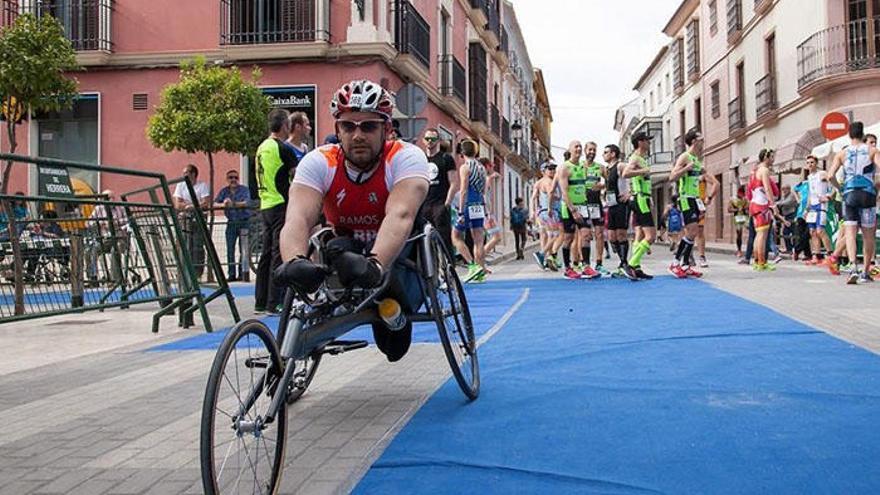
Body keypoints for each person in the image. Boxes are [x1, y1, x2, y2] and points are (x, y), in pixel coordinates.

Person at [278, 79, 429, 362]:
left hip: (397, 252)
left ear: (387, 129)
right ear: (337, 130)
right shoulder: (320, 161)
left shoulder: (405, 158)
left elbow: (401, 214)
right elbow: (298, 217)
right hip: (345, 247)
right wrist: (295, 261)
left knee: (393, 348)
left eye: (368, 126)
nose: (357, 135)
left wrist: (376, 265)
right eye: (348, 126)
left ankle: (390, 308)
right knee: (333, 251)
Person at [254, 108, 298, 314]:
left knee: (265, 256)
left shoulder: (261, 147)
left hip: (265, 204)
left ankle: (260, 301)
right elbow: (297, 177)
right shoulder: (284, 149)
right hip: (281, 203)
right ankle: (274, 303)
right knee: (277, 255)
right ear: (284, 126)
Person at [827, 121, 879, 284]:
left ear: (849, 135)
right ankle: (865, 271)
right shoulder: (872, 150)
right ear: (863, 134)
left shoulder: (842, 153)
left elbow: (829, 176)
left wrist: (840, 188)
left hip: (849, 194)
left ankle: (852, 268)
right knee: (868, 235)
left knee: (850, 233)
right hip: (867, 194)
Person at [668, 130, 718, 279]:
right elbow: (672, 177)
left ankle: (685, 264)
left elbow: (710, 180)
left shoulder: (696, 160)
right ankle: (675, 263)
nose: (703, 141)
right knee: (691, 230)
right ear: (694, 141)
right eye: (700, 139)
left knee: (694, 231)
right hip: (686, 198)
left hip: (695, 199)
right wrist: (686, 168)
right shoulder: (685, 156)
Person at [558, 140, 600, 279]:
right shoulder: (565, 168)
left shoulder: (583, 167)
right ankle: (568, 268)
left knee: (587, 235)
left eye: (580, 147)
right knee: (568, 238)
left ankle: (586, 266)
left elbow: (587, 185)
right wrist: (573, 210)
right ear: (569, 149)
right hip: (569, 207)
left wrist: (599, 187)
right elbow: (564, 192)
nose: (578, 149)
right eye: (576, 146)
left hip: (583, 205)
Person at [452, 140, 489, 282]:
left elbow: (463, 191)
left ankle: (472, 265)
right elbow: (484, 190)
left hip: (468, 204)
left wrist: (461, 212)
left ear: (462, 153)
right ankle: (480, 270)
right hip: (479, 204)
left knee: (455, 236)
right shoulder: (481, 167)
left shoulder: (465, 167)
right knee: (478, 240)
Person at [623, 132, 656, 280]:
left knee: (641, 234)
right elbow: (626, 173)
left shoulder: (642, 159)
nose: (649, 144)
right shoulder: (635, 158)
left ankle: (636, 267)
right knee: (651, 236)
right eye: (647, 141)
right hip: (640, 199)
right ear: (640, 142)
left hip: (643, 198)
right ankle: (631, 263)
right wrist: (643, 171)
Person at [602, 144, 637, 280]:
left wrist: (630, 192)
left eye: (606, 152)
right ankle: (623, 262)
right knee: (611, 236)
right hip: (611, 205)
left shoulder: (620, 165)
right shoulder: (607, 169)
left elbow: (633, 175)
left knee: (621, 234)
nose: (603, 154)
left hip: (622, 204)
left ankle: (624, 264)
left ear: (613, 154)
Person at [422, 128, 459, 254]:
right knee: (423, 240)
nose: (430, 142)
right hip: (424, 205)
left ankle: (449, 268)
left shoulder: (446, 158)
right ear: (423, 141)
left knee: (444, 240)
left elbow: (454, 183)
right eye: (427, 139)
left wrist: (446, 204)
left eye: (432, 139)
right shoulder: (420, 159)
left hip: (440, 205)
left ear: (438, 141)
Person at [213, 169, 253, 281]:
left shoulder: (244, 190)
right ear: (227, 179)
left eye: (235, 177)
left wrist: (233, 204)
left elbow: (247, 202)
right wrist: (224, 204)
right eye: (231, 177)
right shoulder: (224, 191)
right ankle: (231, 274)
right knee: (230, 249)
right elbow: (215, 203)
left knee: (244, 249)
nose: (233, 180)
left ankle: (242, 273)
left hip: (244, 221)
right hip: (231, 222)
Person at [173, 164, 211, 277]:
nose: (184, 175)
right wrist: (193, 205)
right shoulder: (180, 185)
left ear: (193, 174)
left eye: (186, 173)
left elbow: (205, 203)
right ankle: (182, 272)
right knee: (183, 245)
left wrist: (190, 206)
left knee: (197, 246)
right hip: (184, 219)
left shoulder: (202, 186)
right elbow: (177, 204)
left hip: (198, 220)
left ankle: (197, 273)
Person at [748, 148, 780, 272]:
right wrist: (773, 205)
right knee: (762, 234)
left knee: (758, 234)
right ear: (766, 158)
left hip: (754, 204)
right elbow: (767, 189)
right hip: (762, 205)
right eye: (772, 157)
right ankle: (762, 262)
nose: (773, 160)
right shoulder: (764, 170)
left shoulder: (754, 170)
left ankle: (757, 261)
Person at [581, 141, 608, 275]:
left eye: (594, 150)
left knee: (599, 234)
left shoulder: (601, 167)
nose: (592, 152)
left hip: (596, 203)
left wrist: (602, 186)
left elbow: (610, 182)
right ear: (585, 151)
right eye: (590, 150)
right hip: (583, 203)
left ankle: (599, 263)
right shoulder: (579, 167)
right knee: (583, 234)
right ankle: (583, 263)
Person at [531, 161, 562, 270]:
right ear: (543, 171)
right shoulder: (549, 182)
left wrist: (534, 212)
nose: (552, 171)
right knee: (556, 235)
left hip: (541, 212)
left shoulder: (538, 183)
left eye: (554, 168)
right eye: (550, 169)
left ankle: (547, 260)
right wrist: (549, 207)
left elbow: (533, 198)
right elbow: (550, 194)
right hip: (550, 211)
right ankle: (542, 254)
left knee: (547, 235)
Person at [802, 155, 833, 265]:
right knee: (812, 232)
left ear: (816, 163)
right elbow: (810, 194)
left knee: (821, 231)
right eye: (808, 163)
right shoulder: (809, 177)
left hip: (821, 205)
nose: (810, 165)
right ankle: (816, 255)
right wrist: (806, 209)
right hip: (813, 206)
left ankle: (830, 255)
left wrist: (828, 196)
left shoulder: (822, 174)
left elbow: (833, 184)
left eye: (812, 162)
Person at [791, 169, 813, 262]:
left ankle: (797, 249)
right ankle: (807, 254)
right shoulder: (803, 184)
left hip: (811, 210)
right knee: (801, 233)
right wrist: (798, 199)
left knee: (807, 233)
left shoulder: (814, 183)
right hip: (801, 211)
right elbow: (794, 189)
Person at [728, 186, 749, 260]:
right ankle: (739, 250)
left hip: (745, 216)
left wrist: (746, 209)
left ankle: (751, 249)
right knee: (739, 233)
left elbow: (747, 208)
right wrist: (736, 209)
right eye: (741, 194)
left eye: (743, 194)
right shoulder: (732, 199)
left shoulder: (745, 199)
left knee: (751, 229)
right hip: (737, 217)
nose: (742, 196)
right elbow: (729, 209)